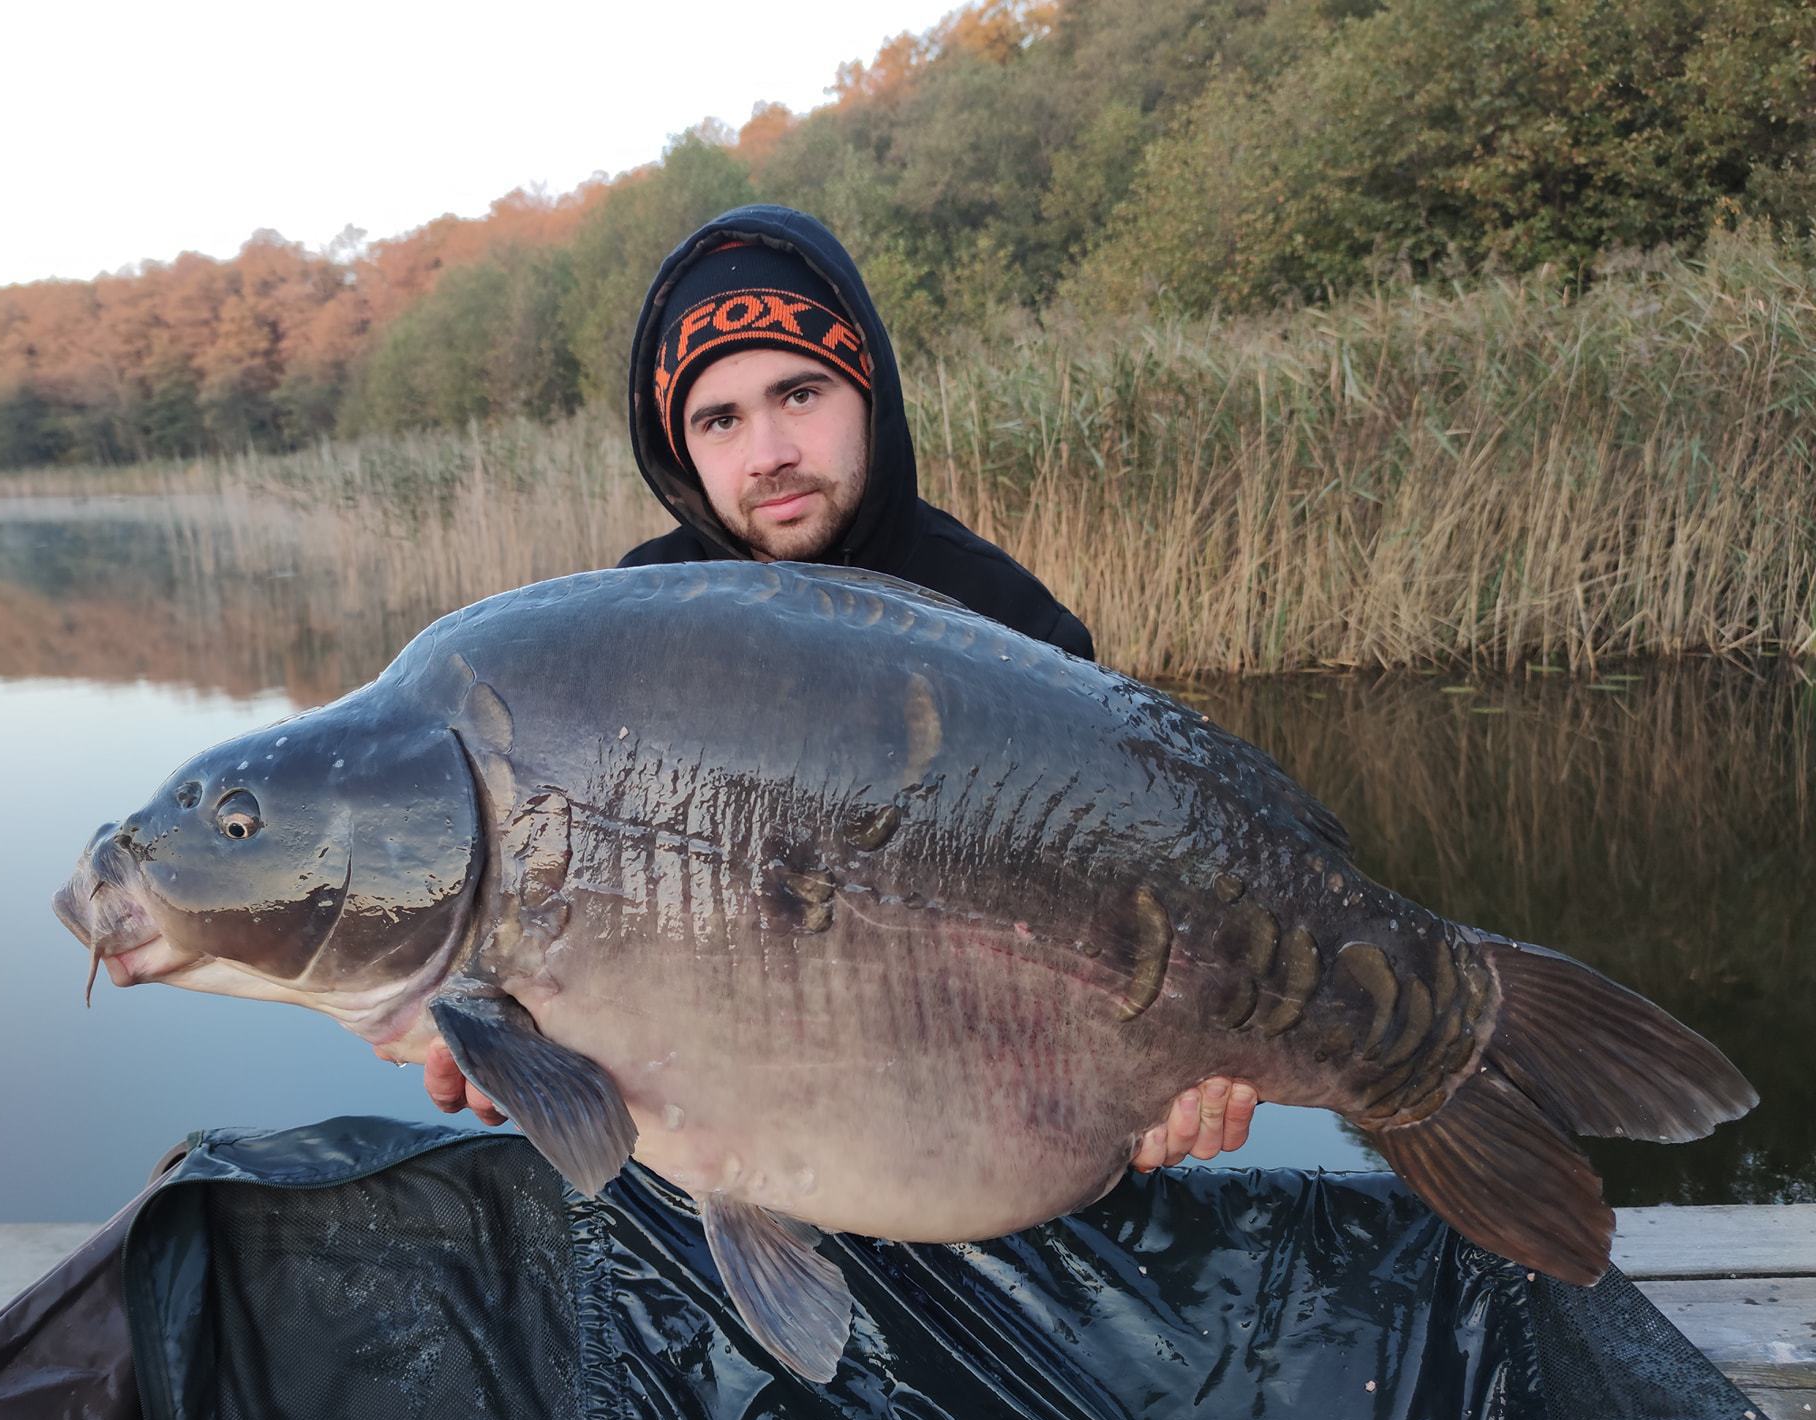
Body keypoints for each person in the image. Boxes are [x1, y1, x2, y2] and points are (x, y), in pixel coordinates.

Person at [423, 203, 1257, 1174]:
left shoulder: (1007, 625)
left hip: (962, 1139)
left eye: (800, 393)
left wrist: (1153, 1092)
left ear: (868, 393)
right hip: (726, 1125)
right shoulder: (624, 642)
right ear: (679, 449)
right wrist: (502, 1046)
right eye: (720, 419)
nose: (768, 450)